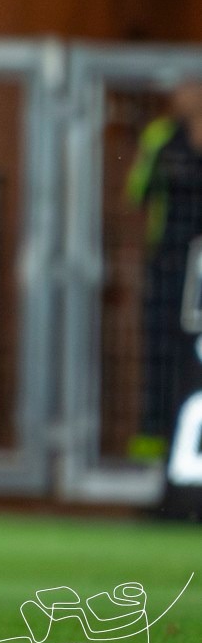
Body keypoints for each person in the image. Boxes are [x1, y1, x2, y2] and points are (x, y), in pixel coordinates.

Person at [126, 82, 202, 457]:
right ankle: (154, 437)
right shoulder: (161, 137)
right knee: (160, 348)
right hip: (169, 262)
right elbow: (137, 192)